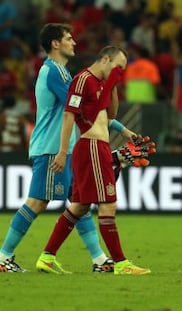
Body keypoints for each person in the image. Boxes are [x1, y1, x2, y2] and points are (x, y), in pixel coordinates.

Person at [0, 24, 134, 273]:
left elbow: (86, 107)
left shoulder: (59, 72)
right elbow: (83, 108)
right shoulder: (55, 73)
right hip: (53, 147)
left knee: (78, 202)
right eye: (69, 38)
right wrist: (118, 128)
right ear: (55, 44)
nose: (74, 42)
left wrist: (121, 129)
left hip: (64, 146)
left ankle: (98, 259)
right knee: (38, 202)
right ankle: (3, 255)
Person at [35, 46, 151, 275]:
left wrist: (113, 85)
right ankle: (121, 263)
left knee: (79, 206)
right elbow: (69, 114)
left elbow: (111, 116)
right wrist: (61, 151)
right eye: (118, 67)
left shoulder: (100, 83)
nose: (120, 72)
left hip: (99, 147)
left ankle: (46, 257)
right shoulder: (83, 80)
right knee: (108, 203)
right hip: (91, 147)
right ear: (105, 59)